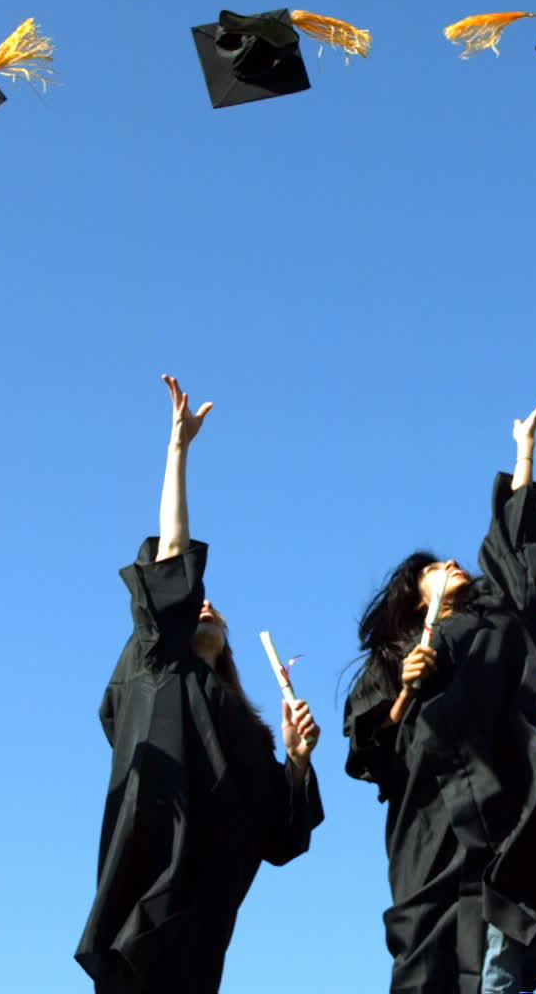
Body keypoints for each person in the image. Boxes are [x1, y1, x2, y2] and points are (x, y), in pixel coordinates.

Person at [343, 396, 536, 994]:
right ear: (413, 596)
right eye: (435, 568)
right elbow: (371, 755)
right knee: (426, 967)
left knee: (496, 966)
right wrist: (406, 692)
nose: (454, 562)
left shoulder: (497, 619)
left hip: (503, 806)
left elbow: (516, 557)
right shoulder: (390, 660)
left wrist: (524, 453)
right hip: (429, 826)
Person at [76, 376, 324, 993]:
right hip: (148, 879)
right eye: (195, 603)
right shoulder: (158, 662)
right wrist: (178, 452)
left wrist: (296, 762)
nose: (206, 605)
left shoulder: (242, 725)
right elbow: (171, 554)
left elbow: (282, 838)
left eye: (215, 608)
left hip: (207, 908)